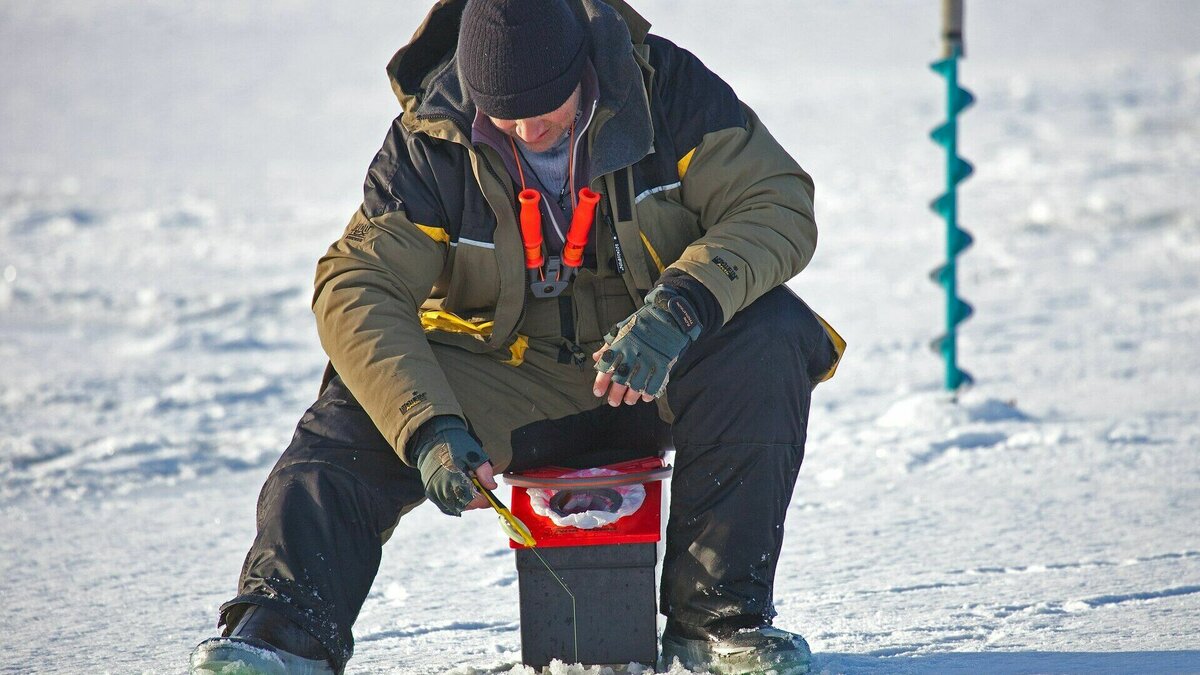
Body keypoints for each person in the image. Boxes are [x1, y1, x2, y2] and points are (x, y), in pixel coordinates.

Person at [189, 0, 843, 673]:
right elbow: (356, 283)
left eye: (548, 106)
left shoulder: (665, 90)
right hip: (506, 379)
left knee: (771, 333)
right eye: (507, 114)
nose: (530, 129)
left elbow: (776, 201)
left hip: (654, 365)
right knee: (356, 411)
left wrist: (676, 311)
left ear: (584, 68)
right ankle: (281, 633)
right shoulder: (430, 139)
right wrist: (429, 429)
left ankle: (716, 624)